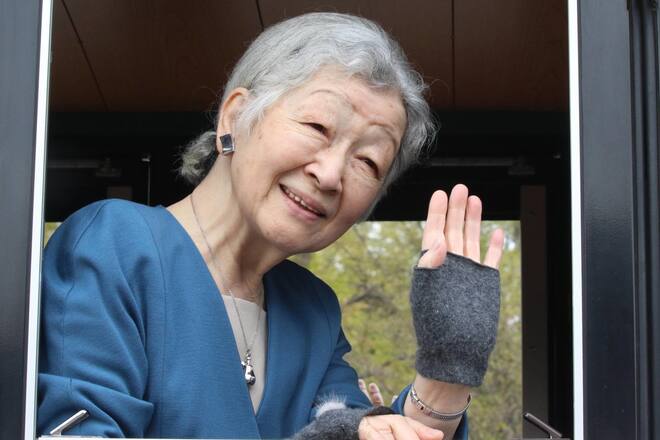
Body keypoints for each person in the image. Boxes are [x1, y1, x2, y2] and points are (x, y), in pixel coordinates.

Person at [37, 12, 503, 440]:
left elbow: (358, 432)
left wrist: (445, 376)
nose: (331, 175)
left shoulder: (313, 311)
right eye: (318, 127)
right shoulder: (113, 245)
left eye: (368, 161)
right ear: (235, 116)